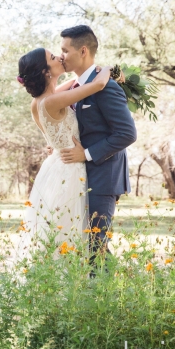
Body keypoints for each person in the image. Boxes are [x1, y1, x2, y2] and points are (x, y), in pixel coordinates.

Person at [14, 45, 111, 264]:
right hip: (70, 167)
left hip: (55, 166)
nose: (59, 57)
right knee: (68, 229)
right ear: (45, 71)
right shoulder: (53, 101)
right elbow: (98, 84)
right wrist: (110, 68)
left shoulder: (38, 102)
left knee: (55, 229)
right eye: (53, 57)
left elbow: (74, 85)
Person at [57, 25, 137, 274]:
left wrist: (86, 154)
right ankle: (101, 300)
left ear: (82, 51)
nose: (61, 56)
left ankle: (109, 301)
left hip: (104, 177)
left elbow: (127, 133)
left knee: (96, 245)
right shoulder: (80, 86)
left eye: (64, 50)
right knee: (90, 245)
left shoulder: (107, 87)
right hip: (82, 177)